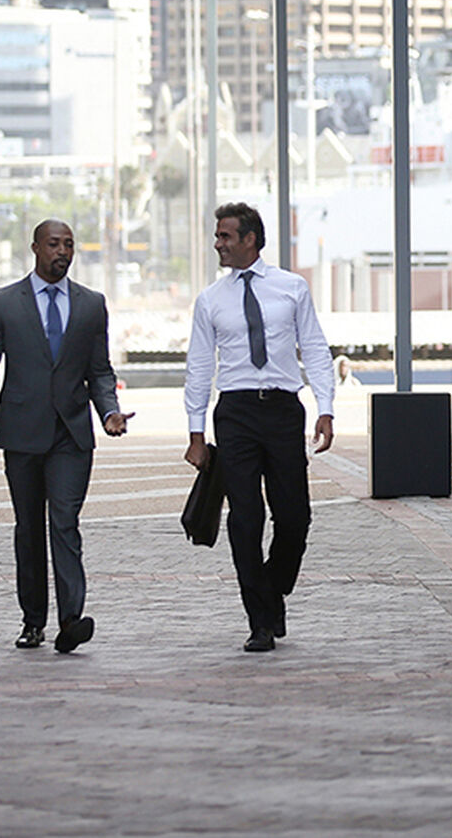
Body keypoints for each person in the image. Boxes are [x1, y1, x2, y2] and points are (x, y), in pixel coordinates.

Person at [184, 202, 337, 652]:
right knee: (245, 520)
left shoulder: (292, 288)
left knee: (294, 516)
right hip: (235, 414)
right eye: (217, 236)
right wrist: (195, 433)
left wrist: (325, 408)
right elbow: (198, 367)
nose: (218, 244)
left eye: (225, 236)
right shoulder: (210, 299)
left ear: (250, 238)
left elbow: (314, 348)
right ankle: (260, 620)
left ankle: (273, 588)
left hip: (284, 411)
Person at [0, 219, 125, 654]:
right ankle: (33, 621)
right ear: (35, 247)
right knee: (29, 529)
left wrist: (109, 412)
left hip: (72, 436)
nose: (63, 252)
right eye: (54, 244)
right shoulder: (4, 302)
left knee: (64, 523)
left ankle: (71, 620)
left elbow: (99, 371)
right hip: (20, 434)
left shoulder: (91, 305)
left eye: (69, 245)